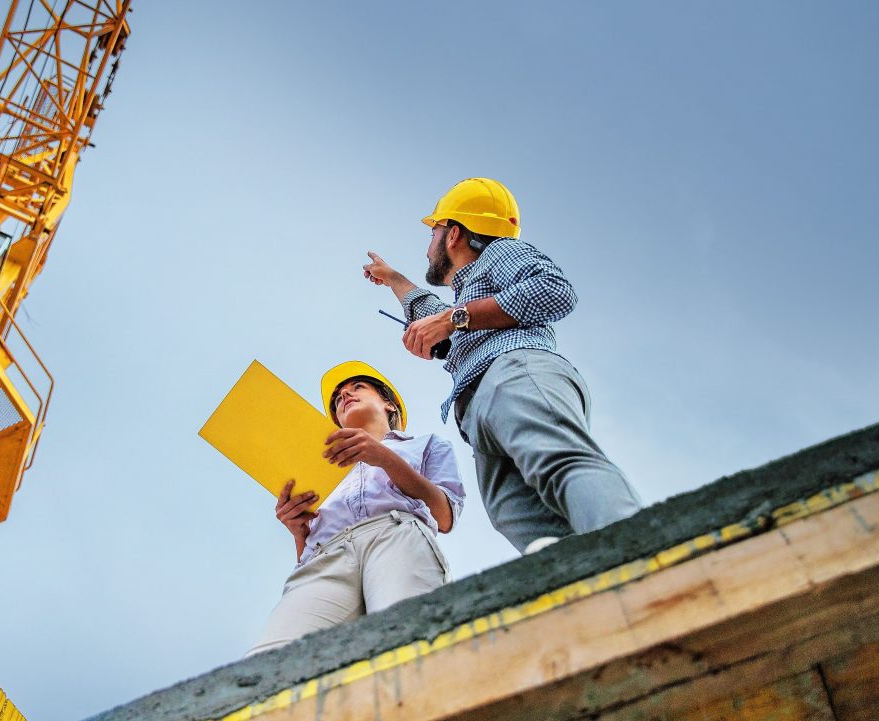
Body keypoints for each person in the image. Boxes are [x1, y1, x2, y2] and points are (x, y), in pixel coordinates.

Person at [362, 177, 641, 555]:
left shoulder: (501, 254)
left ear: (454, 234)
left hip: (516, 371)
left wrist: (454, 319)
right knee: (517, 514)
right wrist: (395, 280)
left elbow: (553, 291)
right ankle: (589, 582)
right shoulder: (470, 292)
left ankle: (640, 549)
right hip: (479, 407)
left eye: (433, 233)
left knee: (557, 460)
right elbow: (439, 316)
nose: (428, 249)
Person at [246, 361, 464, 656]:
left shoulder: (426, 445)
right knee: (272, 661)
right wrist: (299, 532)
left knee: (406, 643)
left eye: (357, 387)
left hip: (395, 536)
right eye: (338, 400)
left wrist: (384, 457)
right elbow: (308, 552)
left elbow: (445, 515)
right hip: (326, 556)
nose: (344, 396)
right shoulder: (319, 466)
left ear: (388, 403)